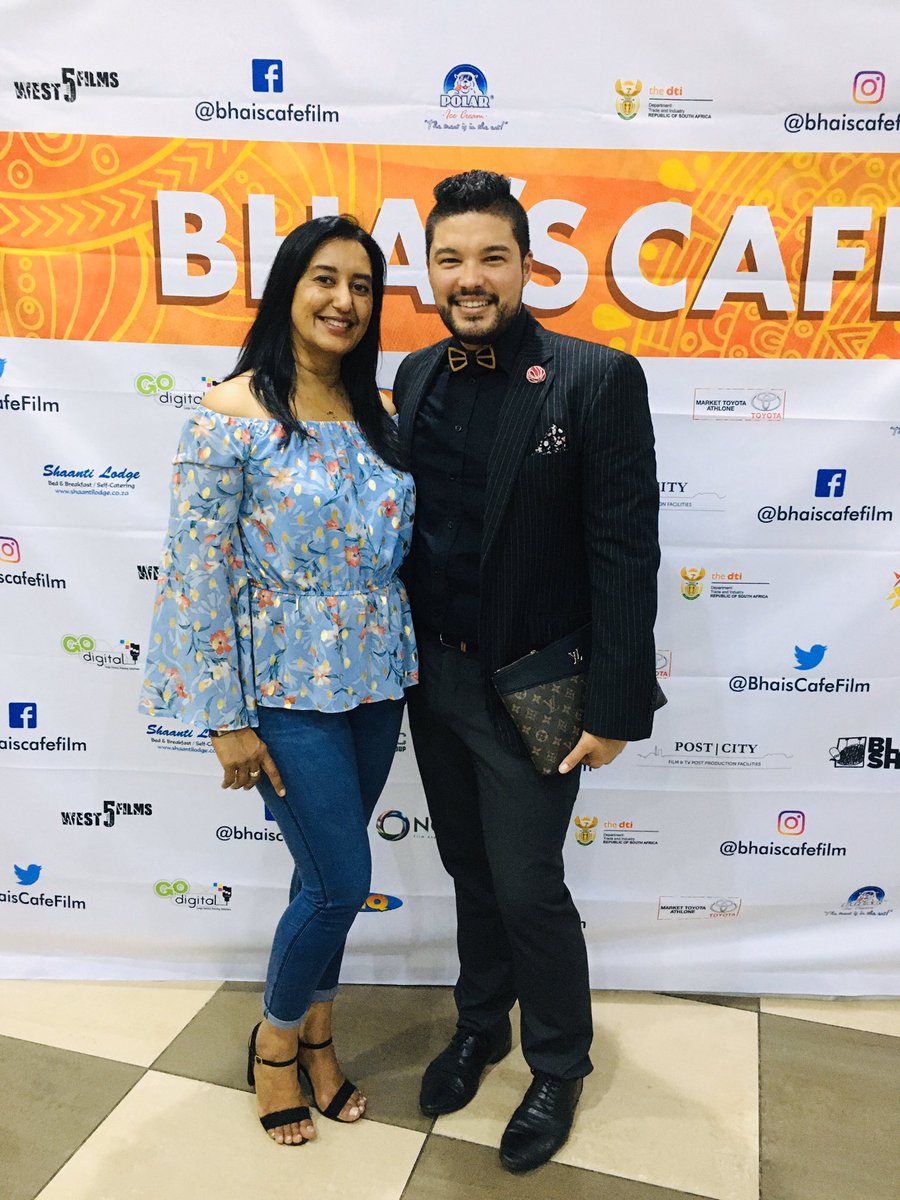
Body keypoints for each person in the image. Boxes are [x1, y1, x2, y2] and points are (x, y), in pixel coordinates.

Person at [393, 171, 660, 1173]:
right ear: (431, 271)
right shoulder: (417, 374)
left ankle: (557, 1063)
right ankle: (481, 1024)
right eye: (451, 259)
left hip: (534, 689)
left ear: (526, 267)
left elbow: (624, 552)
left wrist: (616, 703)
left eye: (491, 258)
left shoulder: (595, 378)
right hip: (433, 680)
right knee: (469, 870)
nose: (471, 277)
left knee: (529, 885)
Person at [140, 215, 417, 1146]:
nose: (345, 301)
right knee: (341, 884)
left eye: (363, 286)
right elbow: (197, 572)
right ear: (288, 288)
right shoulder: (230, 412)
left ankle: (320, 1037)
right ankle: (274, 1044)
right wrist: (225, 718)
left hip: (376, 682)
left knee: (320, 875)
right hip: (283, 692)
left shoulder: (378, 412)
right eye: (325, 279)